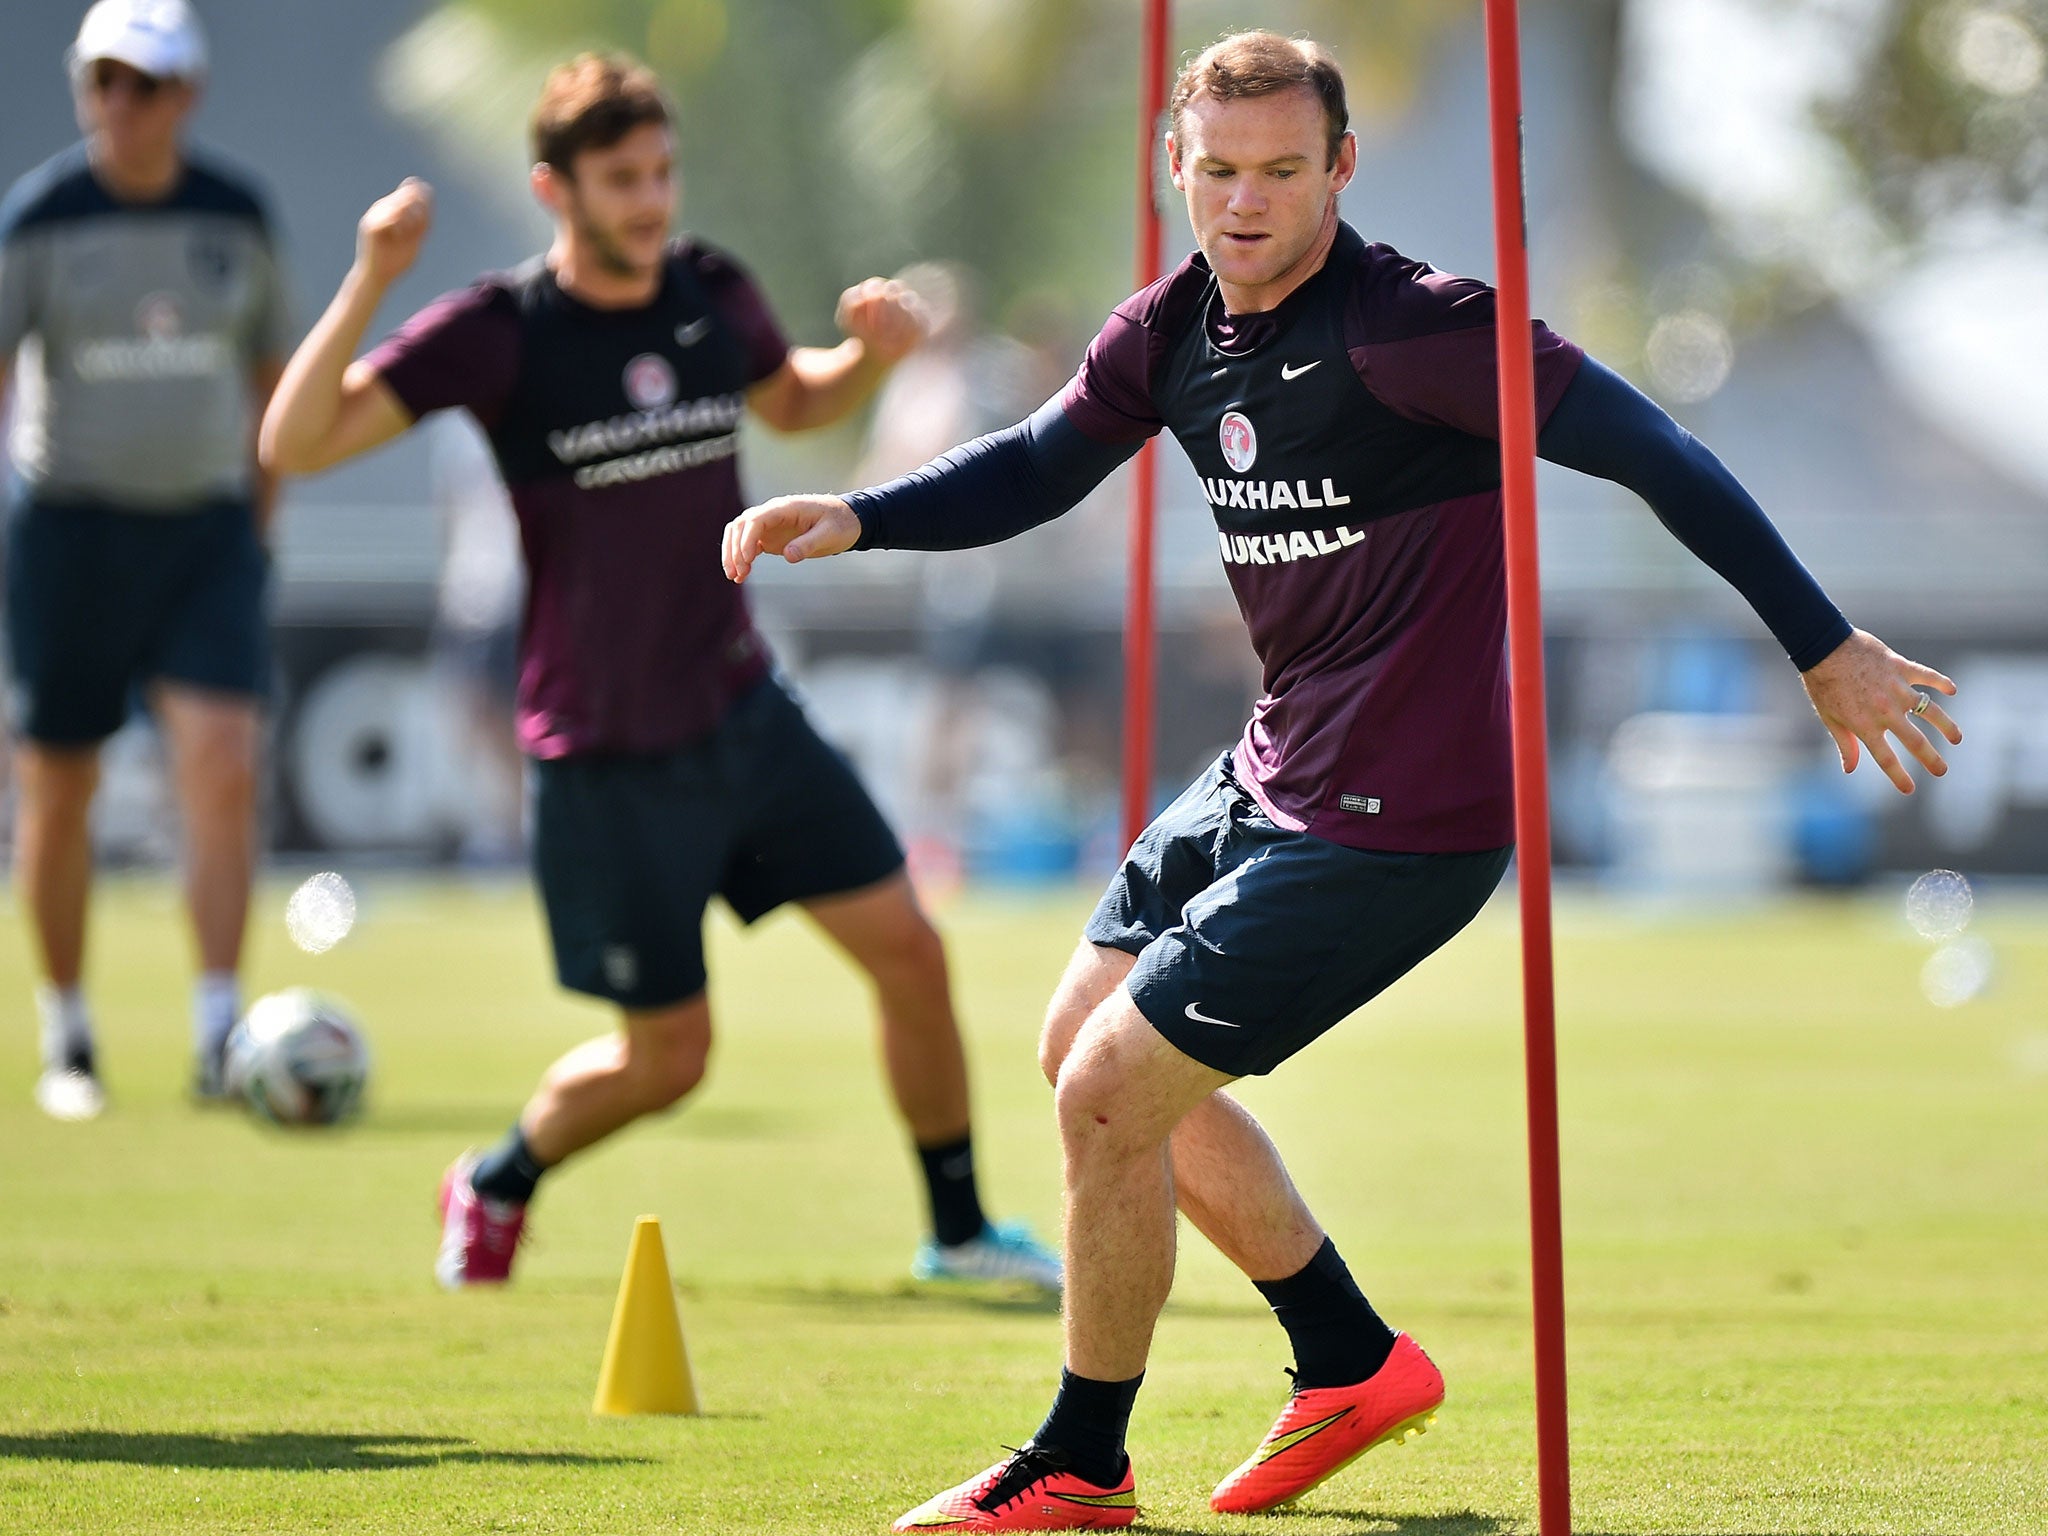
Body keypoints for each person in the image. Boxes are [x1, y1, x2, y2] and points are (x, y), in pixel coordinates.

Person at [721, 30, 1964, 1530]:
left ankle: (1081, 1466)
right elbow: (1038, 467)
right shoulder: (1166, 329)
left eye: (1283, 171)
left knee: (1114, 1096)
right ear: (1176, 166)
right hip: (1275, 761)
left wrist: (1822, 645)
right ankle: (1348, 1360)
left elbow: (1660, 452)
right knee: (1080, 1049)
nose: (1246, 203)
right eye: (1220, 169)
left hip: (1408, 820)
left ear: (1340, 171)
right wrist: (854, 515)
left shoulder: (1420, 331)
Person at [259, 53, 1061, 1295]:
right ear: (553, 189)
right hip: (604, 755)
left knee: (911, 948)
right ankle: (497, 1178)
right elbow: (298, 442)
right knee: (668, 1060)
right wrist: (372, 273)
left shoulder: (707, 290)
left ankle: (957, 1233)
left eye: (659, 172)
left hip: (743, 713)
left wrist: (870, 358)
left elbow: (791, 403)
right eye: (619, 179)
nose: (648, 199)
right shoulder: (499, 331)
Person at [0, 0, 290, 1122]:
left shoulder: (236, 215)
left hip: (206, 530)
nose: (118, 104)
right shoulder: (41, 219)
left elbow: (274, 382)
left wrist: (255, 525)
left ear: (186, 95)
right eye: (101, 82)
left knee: (221, 758)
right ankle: (68, 1034)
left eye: (142, 84)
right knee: (58, 780)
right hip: (68, 529)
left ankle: (219, 1029)